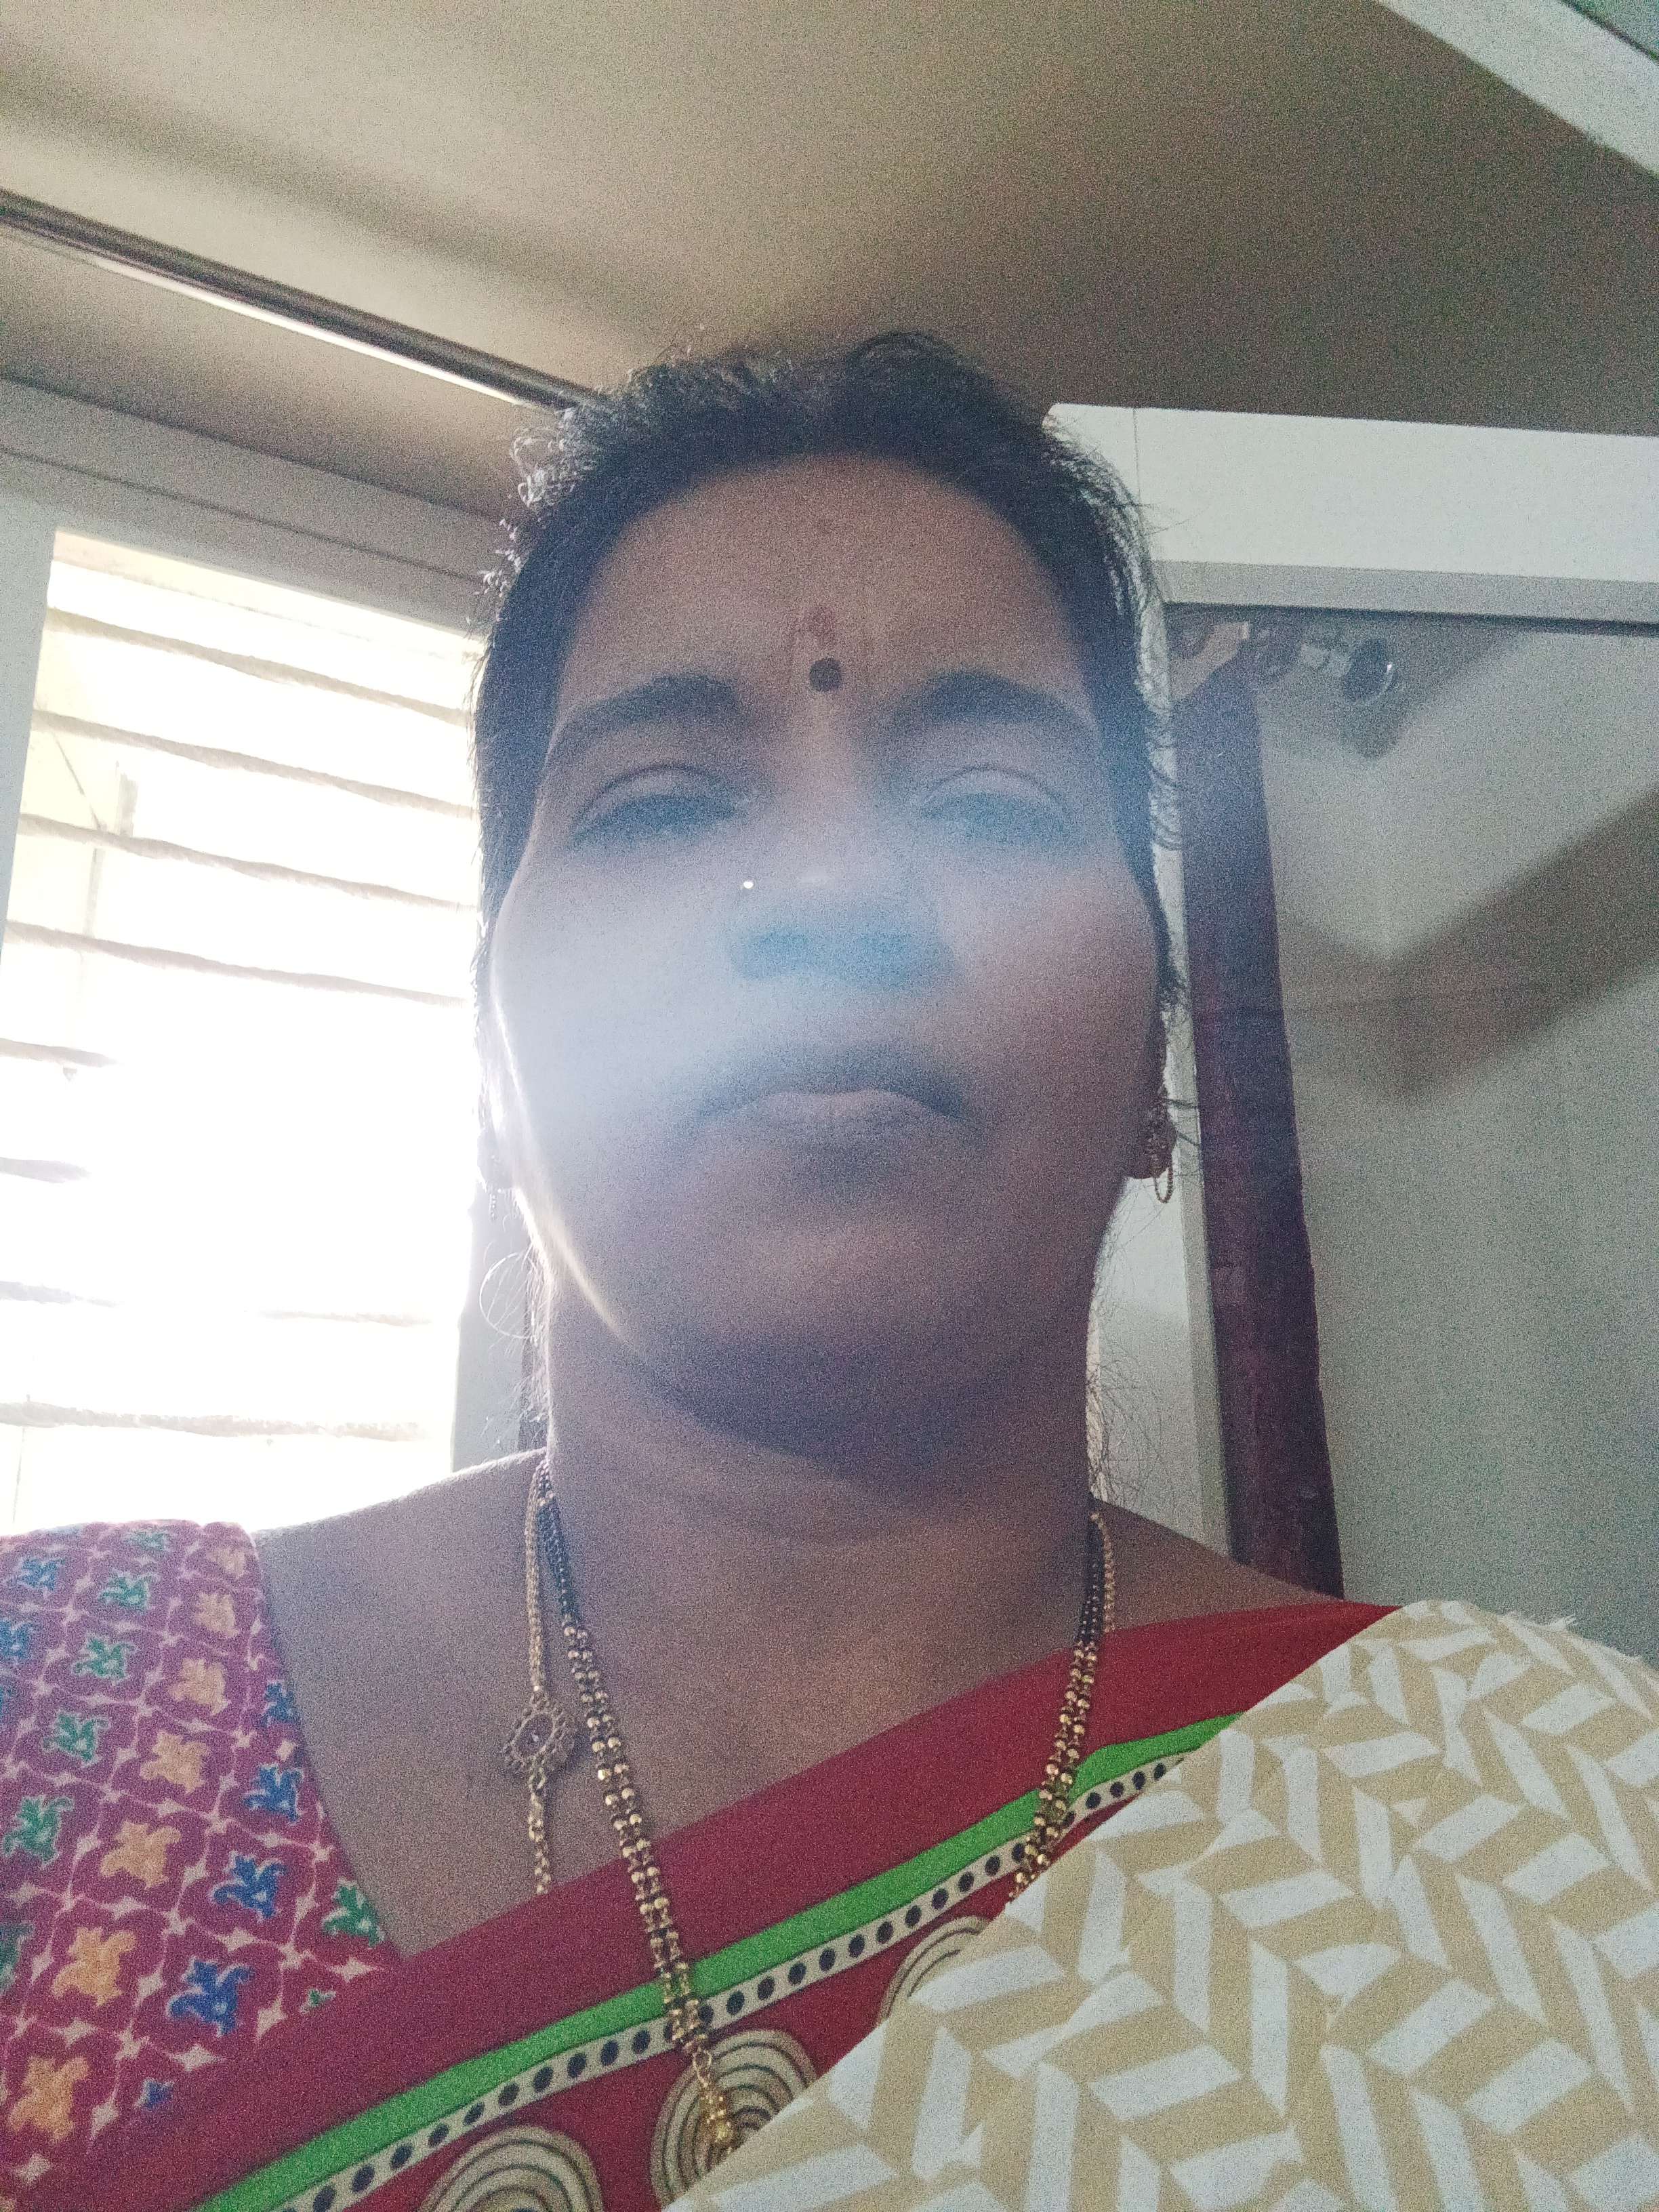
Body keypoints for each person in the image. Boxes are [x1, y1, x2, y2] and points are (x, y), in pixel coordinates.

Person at [3, 337, 1653, 2212]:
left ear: (1151, 1069)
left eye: (991, 805)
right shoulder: (56, 1716)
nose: (836, 888)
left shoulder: (1545, 1824)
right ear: (489, 1073)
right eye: (660, 804)